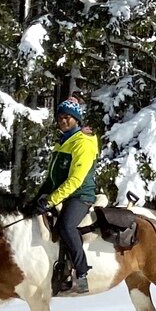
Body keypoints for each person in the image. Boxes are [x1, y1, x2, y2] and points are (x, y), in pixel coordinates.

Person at [25, 97, 100, 295]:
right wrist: (38, 198)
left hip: (80, 195)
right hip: (63, 194)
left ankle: (82, 272)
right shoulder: (64, 142)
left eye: (67, 117)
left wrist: (50, 200)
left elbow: (75, 180)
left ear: (76, 119)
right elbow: (52, 178)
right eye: (60, 118)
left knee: (66, 225)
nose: (63, 121)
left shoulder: (83, 143)